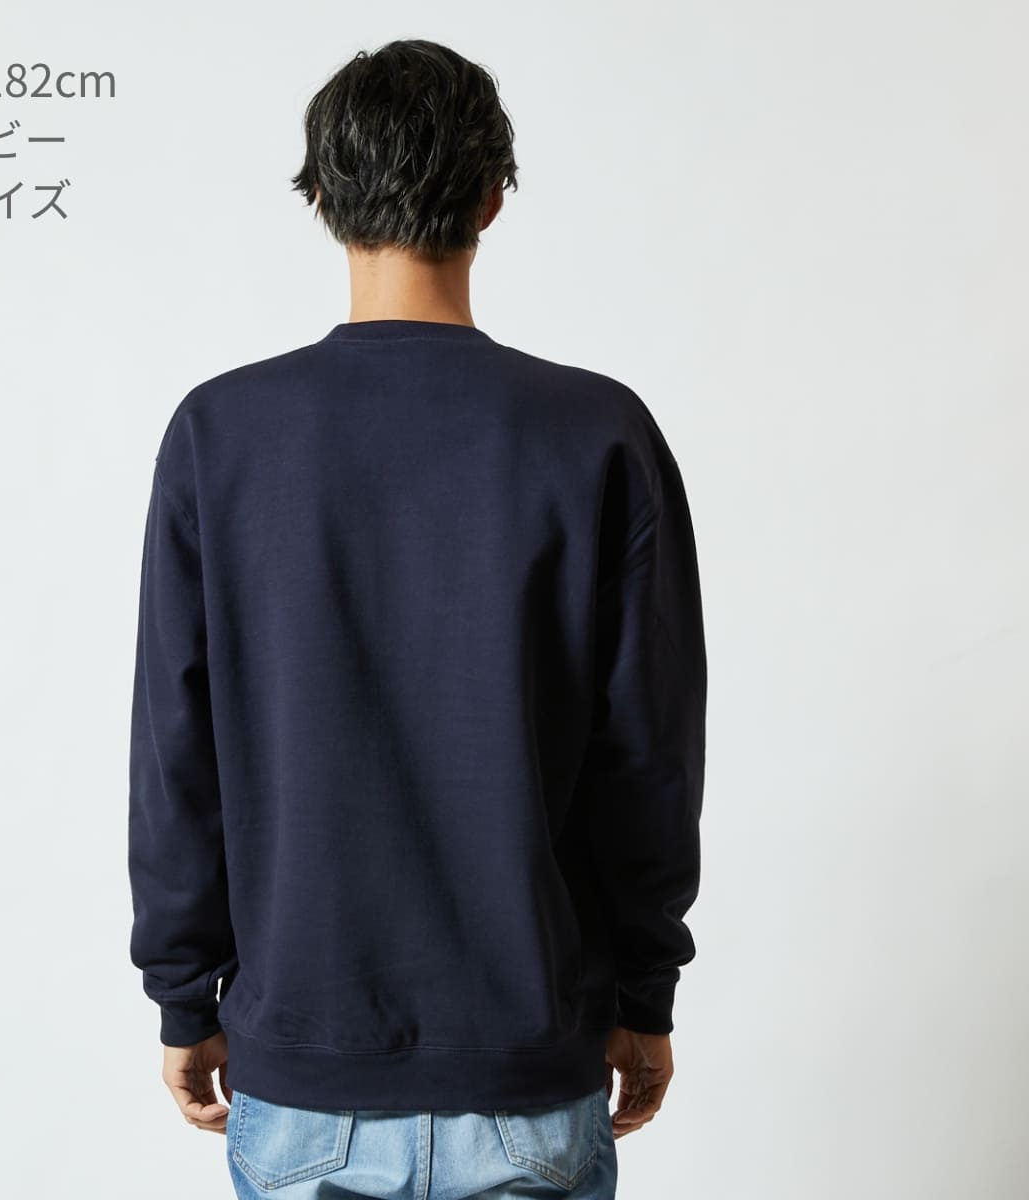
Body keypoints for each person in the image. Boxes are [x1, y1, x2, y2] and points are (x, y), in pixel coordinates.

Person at [127, 37, 707, 1199]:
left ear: (322, 199)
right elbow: (648, 757)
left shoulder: (221, 436)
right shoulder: (598, 435)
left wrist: (186, 996)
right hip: (531, 1066)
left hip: (306, 1071)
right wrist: (645, 993)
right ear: (492, 199)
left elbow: (175, 755)